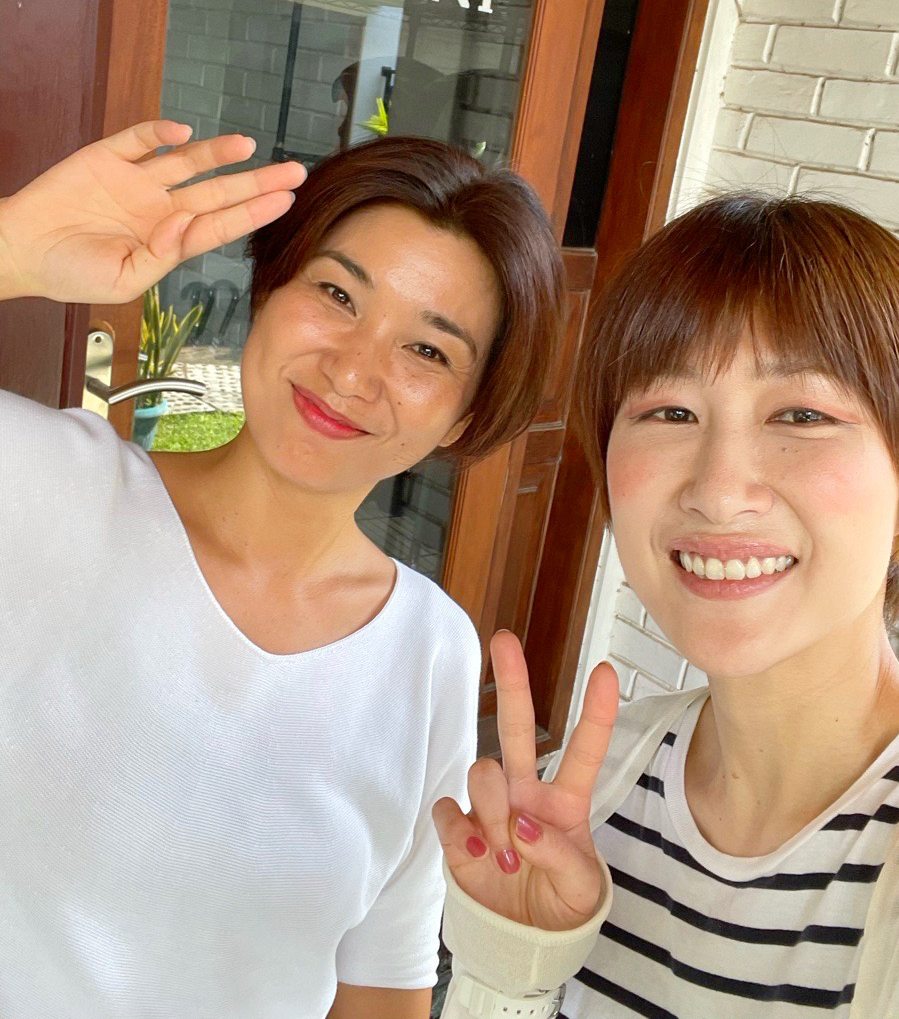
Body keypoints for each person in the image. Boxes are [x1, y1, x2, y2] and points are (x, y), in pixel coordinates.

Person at [0, 121, 564, 1019]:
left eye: (428, 350)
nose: (353, 369)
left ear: (463, 416)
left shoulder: (429, 652)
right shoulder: (41, 488)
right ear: (267, 289)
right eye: (337, 294)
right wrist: (11, 248)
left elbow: (381, 990)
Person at [434, 192, 899, 1019]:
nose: (717, 491)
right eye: (670, 411)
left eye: (803, 414)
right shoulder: (598, 788)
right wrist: (514, 969)